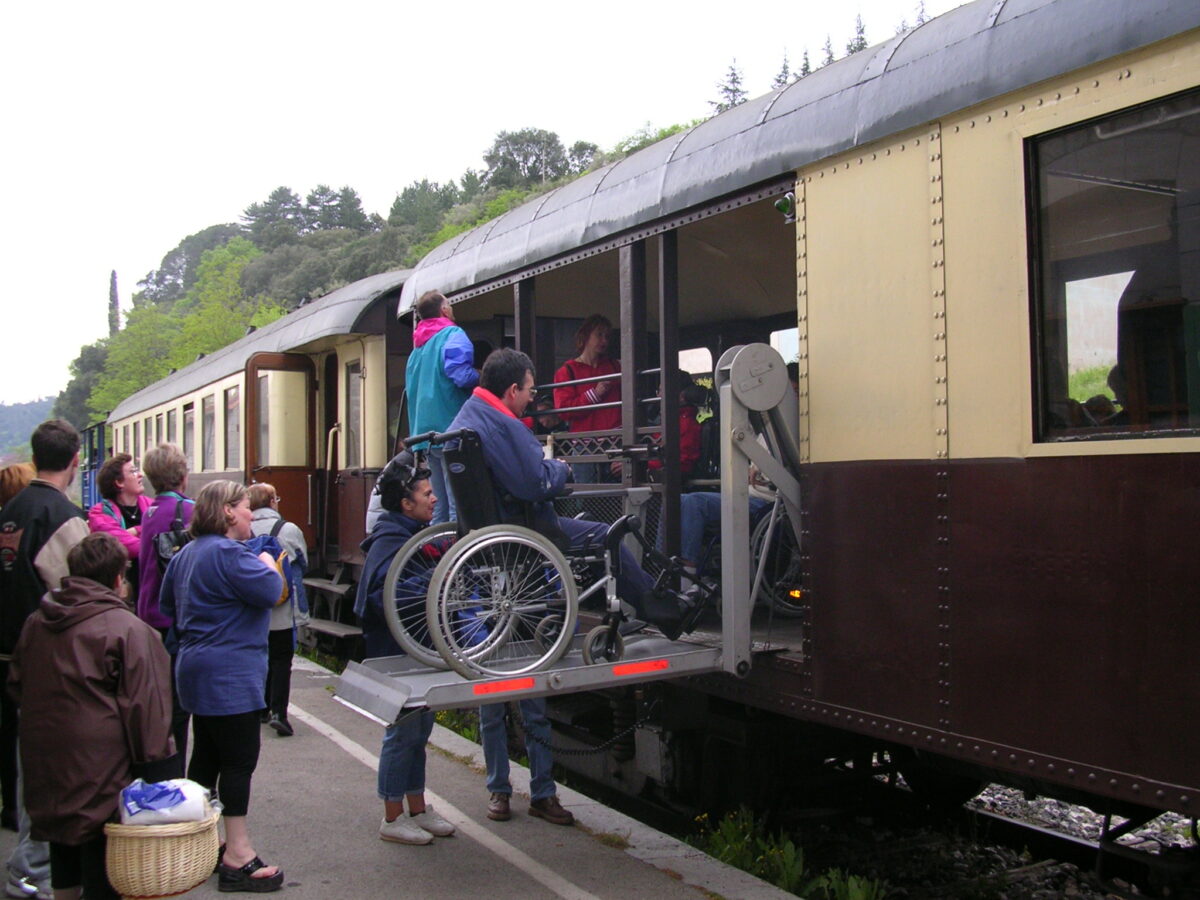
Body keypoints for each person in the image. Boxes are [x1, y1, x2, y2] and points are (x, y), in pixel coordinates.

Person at [448, 349, 698, 638]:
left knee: (589, 526)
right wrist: (560, 469)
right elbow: (535, 484)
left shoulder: (469, 416)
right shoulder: (503, 426)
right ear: (513, 390)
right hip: (523, 527)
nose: (532, 398)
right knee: (608, 534)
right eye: (530, 390)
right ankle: (665, 612)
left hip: (491, 527)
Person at [7, 533, 174, 900]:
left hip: (45, 761)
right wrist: (158, 774)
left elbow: (18, 681)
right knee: (104, 868)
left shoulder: (39, 620)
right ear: (118, 577)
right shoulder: (127, 629)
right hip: (101, 767)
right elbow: (147, 709)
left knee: (62, 847)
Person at [159, 481, 284, 893]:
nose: (252, 515)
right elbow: (272, 592)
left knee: (206, 758)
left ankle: (207, 844)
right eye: (247, 508)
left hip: (193, 669)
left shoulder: (186, 554)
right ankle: (239, 854)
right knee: (238, 759)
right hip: (230, 672)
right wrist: (269, 561)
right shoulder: (231, 554)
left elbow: (167, 608)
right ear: (229, 511)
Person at [0, 419, 89, 900]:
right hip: (47, 660)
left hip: (8, 649)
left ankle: (28, 865)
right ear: (75, 461)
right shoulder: (64, 516)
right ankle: (31, 871)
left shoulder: (10, 509)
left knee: (21, 762)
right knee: (50, 768)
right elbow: (78, 591)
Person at [354, 452, 456, 845]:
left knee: (419, 730)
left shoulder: (404, 534)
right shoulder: (392, 540)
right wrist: (435, 582)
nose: (434, 499)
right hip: (397, 654)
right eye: (426, 493)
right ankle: (392, 817)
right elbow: (383, 596)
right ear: (405, 503)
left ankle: (417, 807)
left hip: (413, 651)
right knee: (402, 734)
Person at [137, 443, 193, 768]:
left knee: (159, 699)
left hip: (147, 612)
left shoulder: (150, 510)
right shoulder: (187, 510)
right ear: (182, 475)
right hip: (173, 617)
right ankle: (176, 770)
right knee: (179, 704)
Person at [405, 289, 478, 525]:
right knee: (460, 499)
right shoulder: (453, 334)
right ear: (444, 310)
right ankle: (459, 555)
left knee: (438, 505)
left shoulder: (417, 350)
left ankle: (439, 552)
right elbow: (460, 375)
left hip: (425, 435)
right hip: (451, 429)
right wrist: (483, 378)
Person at [247, 483, 307, 738]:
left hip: (253, 609)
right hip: (283, 607)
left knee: (260, 657)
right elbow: (303, 561)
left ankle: (260, 707)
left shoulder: (244, 528)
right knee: (282, 660)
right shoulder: (288, 529)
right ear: (272, 501)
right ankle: (279, 712)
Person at [553, 315, 621, 482]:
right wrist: (595, 394)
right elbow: (563, 410)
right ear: (585, 335)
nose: (604, 340)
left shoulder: (615, 366)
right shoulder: (567, 371)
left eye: (607, 336)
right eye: (599, 334)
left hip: (617, 442)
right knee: (587, 499)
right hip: (585, 446)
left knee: (618, 496)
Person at [86, 453, 151, 600]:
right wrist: (152, 536)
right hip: (119, 597)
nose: (140, 475)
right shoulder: (100, 513)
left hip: (150, 593)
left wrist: (137, 530)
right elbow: (125, 547)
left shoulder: (151, 505)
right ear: (119, 482)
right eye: (133, 471)